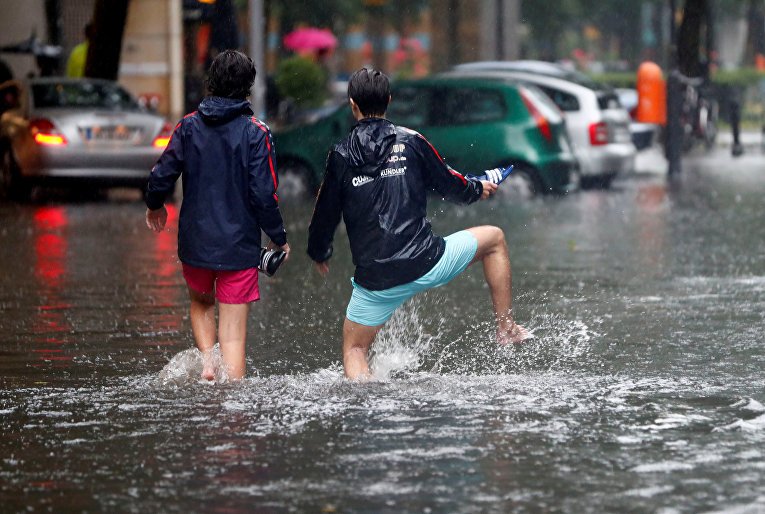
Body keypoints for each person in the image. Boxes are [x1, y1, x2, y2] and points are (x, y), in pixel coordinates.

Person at [307, 68, 530, 381]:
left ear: (352, 104)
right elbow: (450, 184)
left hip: (376, 280)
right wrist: (478, 189)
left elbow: (324, 212)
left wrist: (320, 252)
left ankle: (365, 409)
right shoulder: (411, 141)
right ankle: (506, 328)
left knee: (355, 349)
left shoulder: (340, 155)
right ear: (388, 100)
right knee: (494, 239)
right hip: (427, 261)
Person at [145, 50, 289, 381]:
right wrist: (279, 238)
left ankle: (208, 361)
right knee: (234, 336)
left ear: (211, 82)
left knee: (201, 302)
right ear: (247, 87)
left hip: (195, 244)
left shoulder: (188, 126)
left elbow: (160, 175)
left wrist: (155, 205)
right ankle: (232, 408)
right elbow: (264, 194)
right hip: (239, 249)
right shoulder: (257, 133)